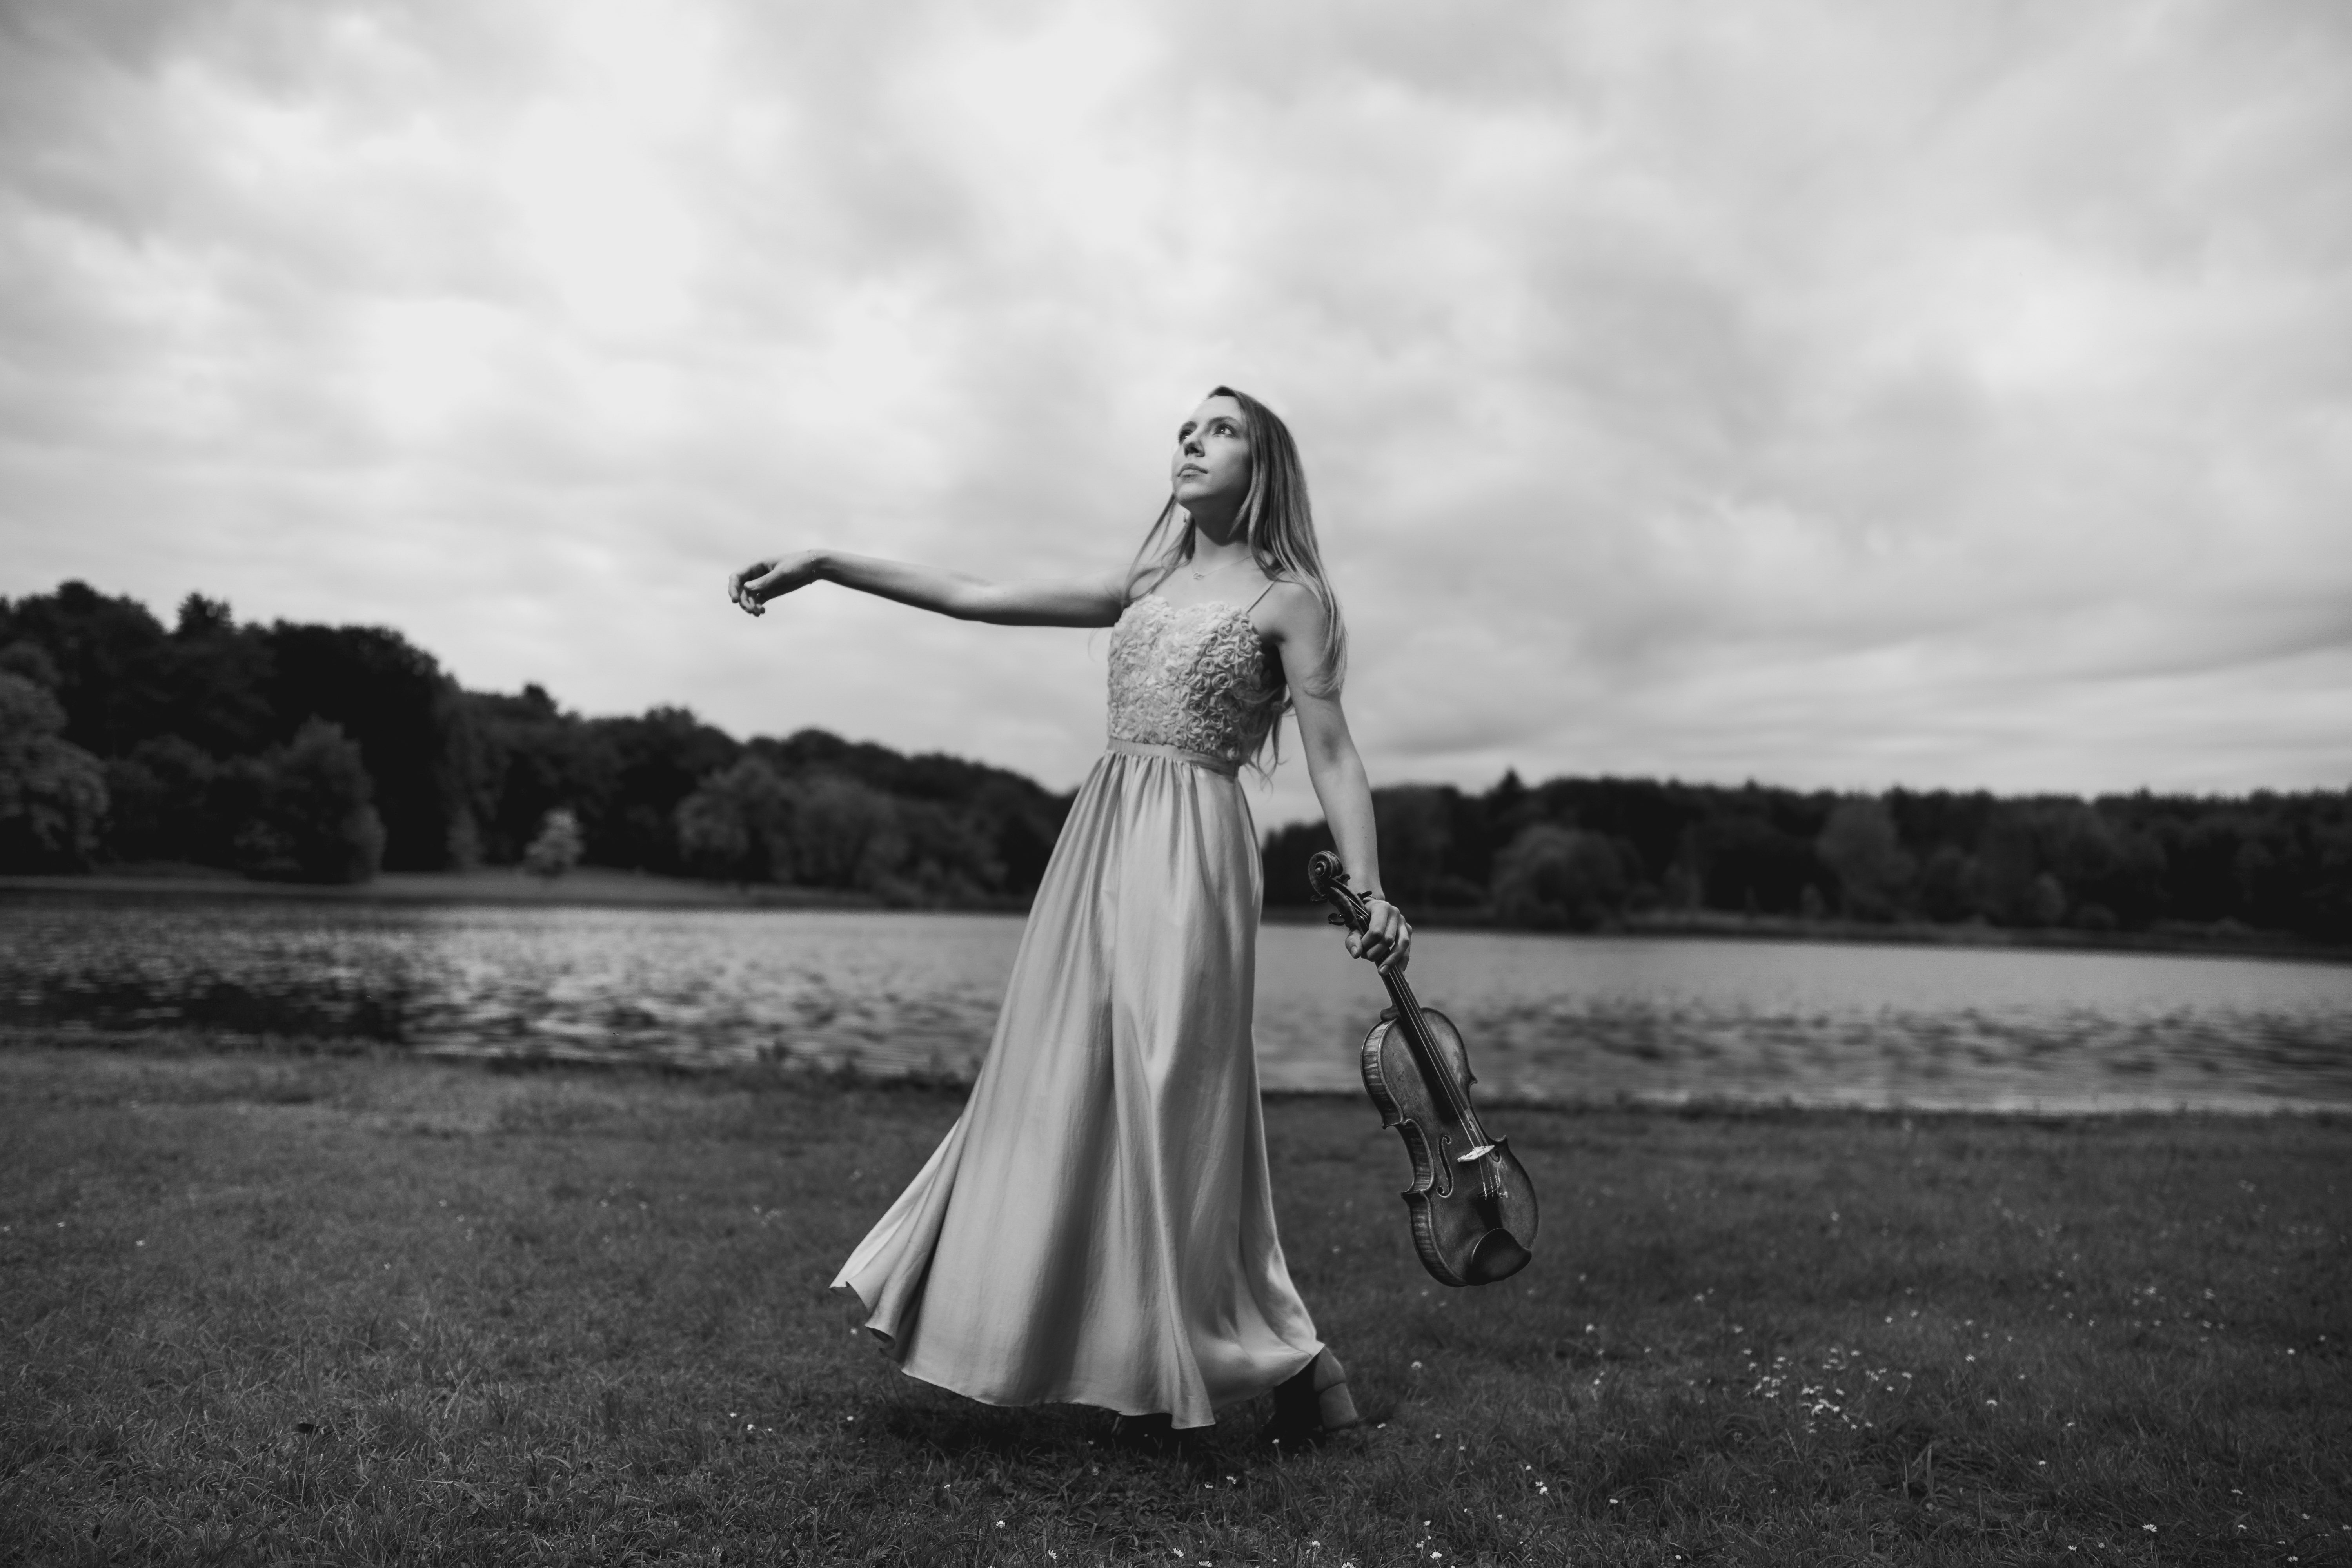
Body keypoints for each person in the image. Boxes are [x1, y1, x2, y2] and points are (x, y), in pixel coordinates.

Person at [726, 386, 1409, 1444]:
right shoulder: (1146, 579)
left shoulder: (1292, 599)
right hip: (1101, 841)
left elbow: (1332, 753)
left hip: (1196, 849)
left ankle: (1287, 1365)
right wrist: (825, 563)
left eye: (1220, 428)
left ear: (1264, 463)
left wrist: (1369, 889)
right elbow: (973, 594)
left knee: (1167, 1092)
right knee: (1063, 1087)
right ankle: (1171, 1360)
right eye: (1185, 427)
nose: (1191, 438)